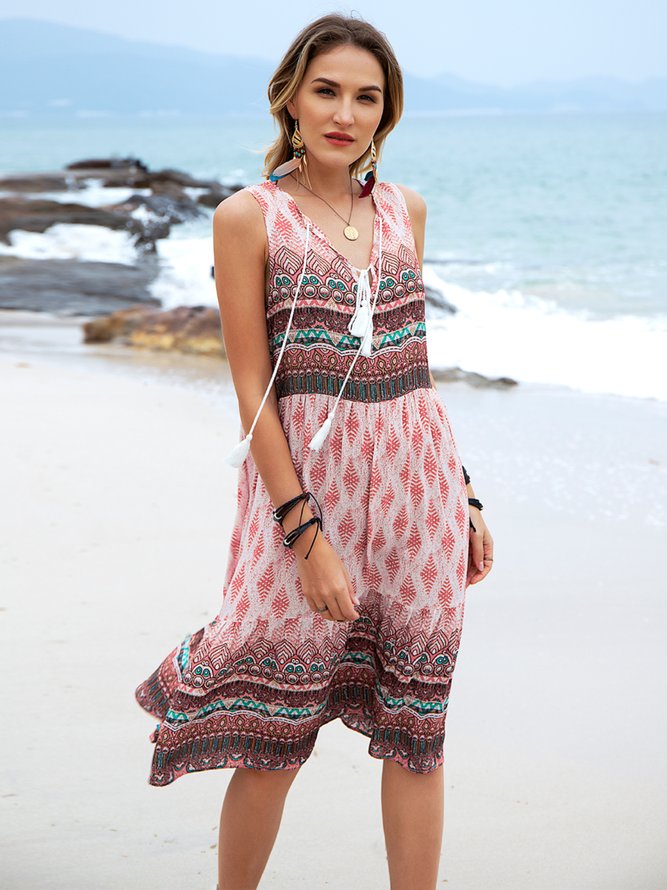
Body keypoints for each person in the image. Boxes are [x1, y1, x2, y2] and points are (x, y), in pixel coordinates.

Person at [134, 12, 494, 890]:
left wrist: (465, 495)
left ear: (386, 112)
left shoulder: (404, 210)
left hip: (416, 498)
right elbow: (253, 392)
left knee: (416, 735)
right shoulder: (247, 217)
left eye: (366, 98)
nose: (345, 113)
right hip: (305, 499)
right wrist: (305, 535)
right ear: (290, 98)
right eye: (326, 91)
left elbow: (414, 370)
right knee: (273, 737)